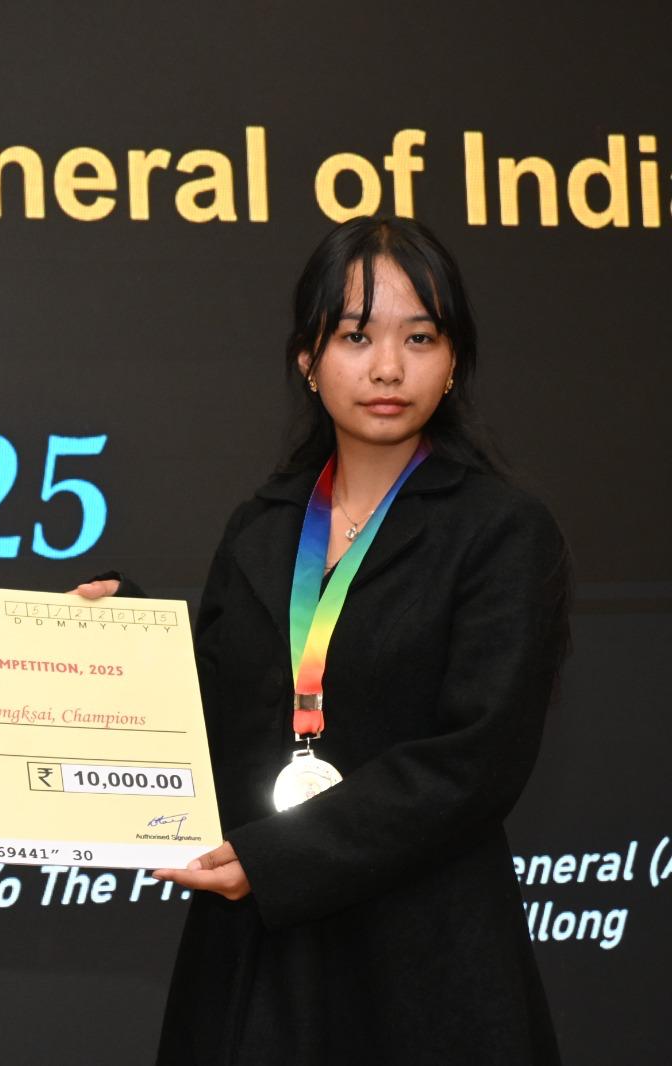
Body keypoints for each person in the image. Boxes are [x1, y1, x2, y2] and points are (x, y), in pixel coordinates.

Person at [76, 217, 569, 1064]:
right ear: (308, 359)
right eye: (355, 336)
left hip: (425, 965)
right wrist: (129, 641)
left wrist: (277, 859)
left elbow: (475, 763)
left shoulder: (502, 531)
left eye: (420, 337)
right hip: (259, 963)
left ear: (454, 361)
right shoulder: (263, 526)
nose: (388, 367)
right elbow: (219, 722)